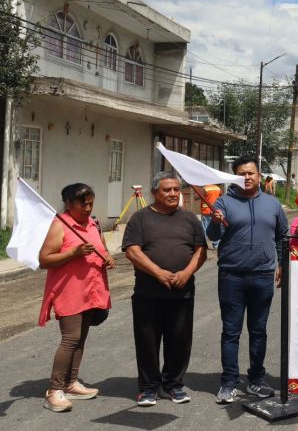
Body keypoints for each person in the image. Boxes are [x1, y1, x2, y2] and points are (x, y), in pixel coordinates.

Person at [207, 154, 289, 404]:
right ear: (235, 176)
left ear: (259, 175)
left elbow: (282, 236)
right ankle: (229, 382)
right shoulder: (223, 202)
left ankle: (255, 380)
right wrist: (215, 222)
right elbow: (212, 236)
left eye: (250, 173)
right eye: (241, 173)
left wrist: (282, 264)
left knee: (259, 331)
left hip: (263, 276)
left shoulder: (272, 204)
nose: (246, 177)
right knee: (231, 332)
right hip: (231, 276)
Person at [122, 172, 207, 407]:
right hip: (148, 293)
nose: (173, 194)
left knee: (179, 340)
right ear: (154, 192)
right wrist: (158, 272)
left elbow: (201, 251)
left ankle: (173, 385)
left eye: (176, 190)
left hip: (182, 292)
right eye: (167, 190)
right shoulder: (140, 218)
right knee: (147, 341)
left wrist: (187, 272)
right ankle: (148, 387)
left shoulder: (190, 219)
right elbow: (132, 251)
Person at [38, 183, 115, 412]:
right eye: (84, 204)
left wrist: (107, 257)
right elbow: (44, 259)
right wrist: (72, 253)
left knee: (80, 338)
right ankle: (54, 390)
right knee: (70, 338)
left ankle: (71, 383)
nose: (88, 208)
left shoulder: (94, 223)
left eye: (91, 203)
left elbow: (101, 247)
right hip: (69, 292)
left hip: (91, 290)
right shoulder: (59, 225)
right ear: (69, 204)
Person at [200, 184, 222, 250]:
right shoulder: (218, 188)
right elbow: (221, 197)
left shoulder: (205, 188)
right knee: (215, 227)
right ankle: (216, 244)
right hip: (215, 210)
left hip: (206, 211)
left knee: (205, 228)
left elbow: (198, 197)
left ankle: (204, 244)